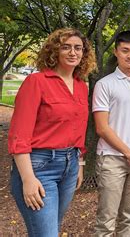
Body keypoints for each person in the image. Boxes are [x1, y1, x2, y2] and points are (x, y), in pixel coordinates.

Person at [8, 28, 96, 236]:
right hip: (40, 167)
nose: (72, 52)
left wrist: (80, 164)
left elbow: (78, 129)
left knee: (50, 229)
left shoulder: (81, 86)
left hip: (70, 165)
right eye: (66, 47)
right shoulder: (36, 82)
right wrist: (28, 178)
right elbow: (19, 134)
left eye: (78, 48)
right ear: (54, 50)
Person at [93, 31, 130, 236]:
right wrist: (129, 152)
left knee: (129, 215)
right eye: (125, 51)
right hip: (111, 159)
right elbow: (102, 127)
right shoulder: (104, 84)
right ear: (116, 52)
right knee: (106, 218)